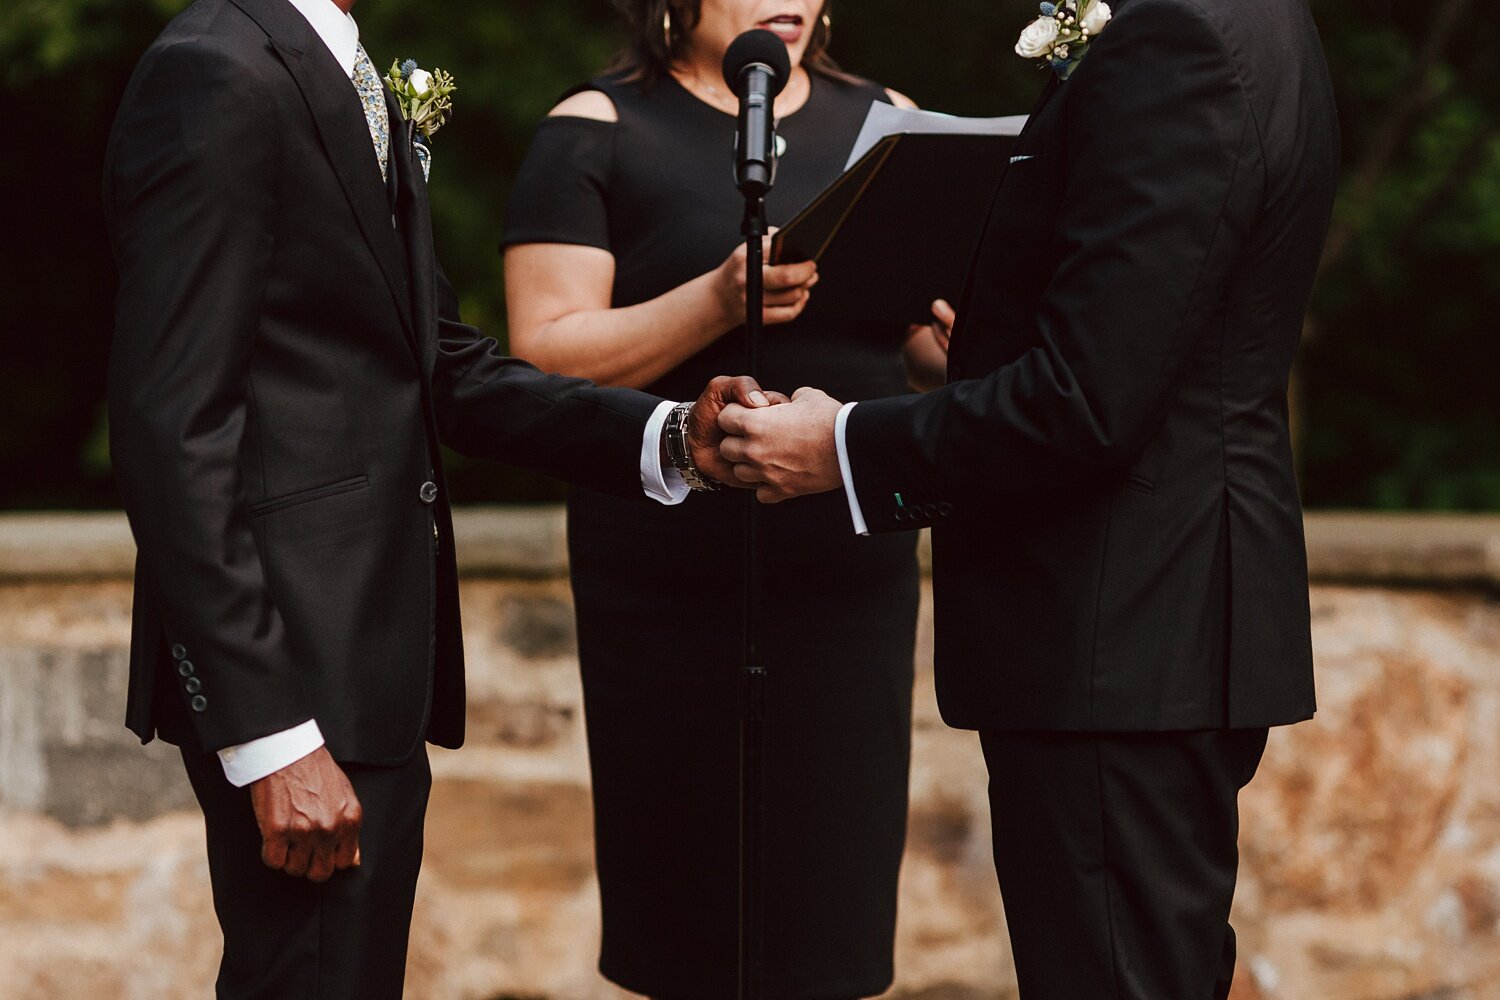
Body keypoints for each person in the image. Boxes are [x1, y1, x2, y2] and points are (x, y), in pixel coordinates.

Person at [102, 0, 766, 995]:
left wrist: (669, 433)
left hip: (367, 661)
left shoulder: (334, 67)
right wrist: (270, 731)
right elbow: (172, 425)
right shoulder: (217, 71)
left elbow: (442, 367)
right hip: (298, 674)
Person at [717, 0, 1340, 996]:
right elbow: (1163, 338)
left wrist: (840, 442)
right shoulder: (1265, 21)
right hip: (1163, 611)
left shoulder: (1172, 36)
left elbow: (1086, 399)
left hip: (1116, 616)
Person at [500, 2, 952, 997]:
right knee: (687, 924)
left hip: (843, 585)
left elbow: (920, 347)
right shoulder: (599, 129)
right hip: (665, 589)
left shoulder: (890, 123)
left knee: (827, 927)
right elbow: (539, 353)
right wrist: (712, 302)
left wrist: (971, 337)